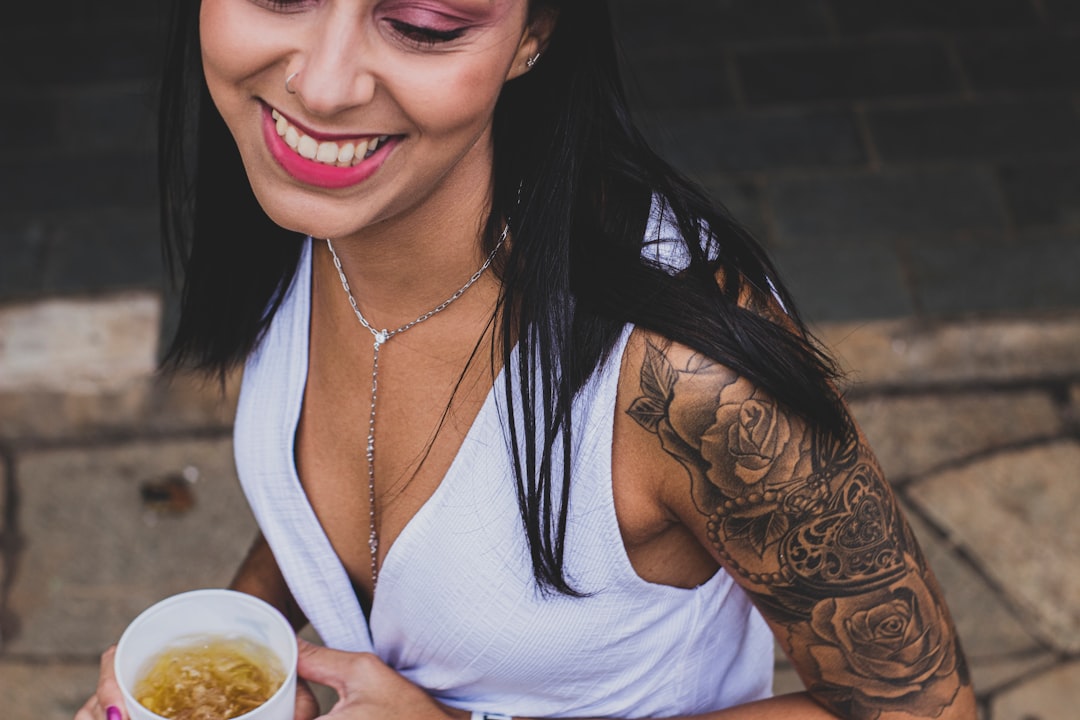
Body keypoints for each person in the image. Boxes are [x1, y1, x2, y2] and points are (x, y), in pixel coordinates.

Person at [78, 0, 976, 718]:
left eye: (424, 27)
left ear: (535, 33)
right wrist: (232, 649)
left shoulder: (684, 376)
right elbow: (347, 507)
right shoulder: (307, 210)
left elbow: (927, 709)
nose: (322, 85)